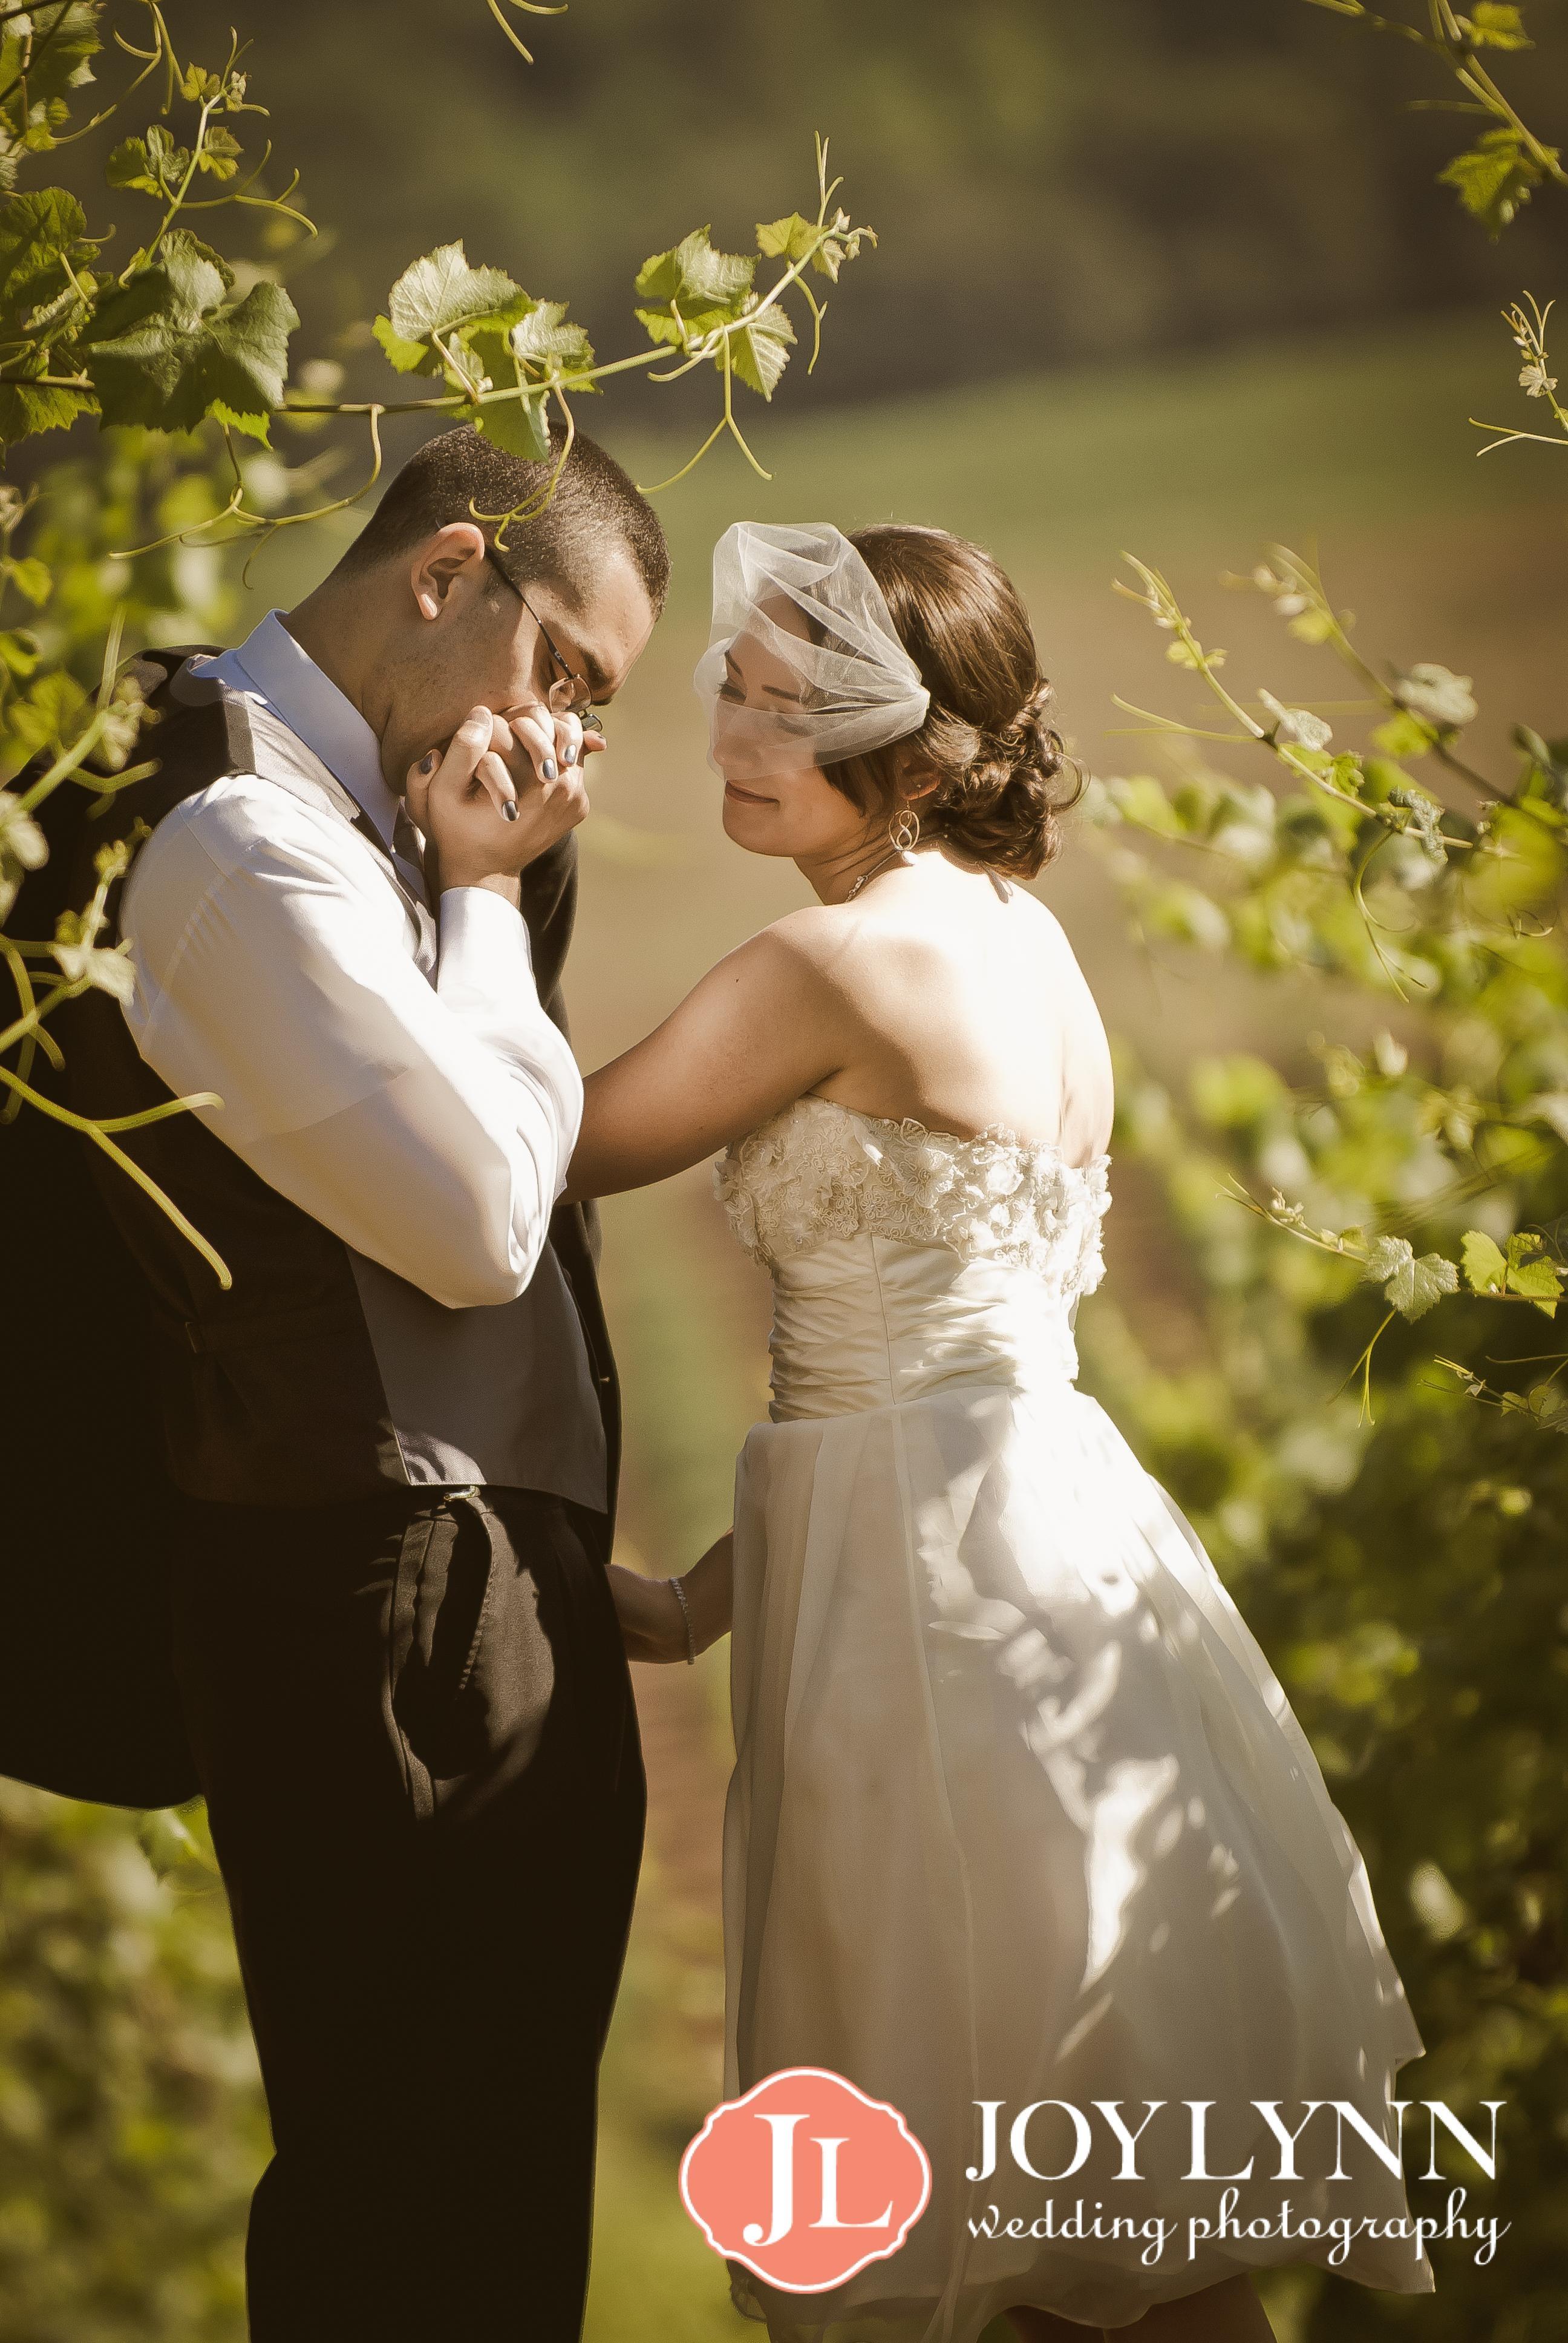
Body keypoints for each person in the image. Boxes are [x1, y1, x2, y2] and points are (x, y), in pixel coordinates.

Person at [565, 521, 1437, 2340]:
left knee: (977, 2196)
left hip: (926, 1647)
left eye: (790, 707)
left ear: (915, 742)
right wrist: (723, 1589)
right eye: (733, 684)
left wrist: (482, 880)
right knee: (1126, 2216)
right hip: (1063, 1579)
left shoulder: (834, 969)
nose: (730, 734)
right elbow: (963, 1374)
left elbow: (547, 1151)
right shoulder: (1033, 950)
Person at [17, 422, 664, 2342]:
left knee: (498, 2199)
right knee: (408, 2218)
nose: (563, 740)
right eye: (565, 673)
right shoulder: (231, 830)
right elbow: (475, 1218)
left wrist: (557, 1542)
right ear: (450, 572)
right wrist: (480, 904)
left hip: (485, 1596)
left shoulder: (378, 812)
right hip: (378, 1618)